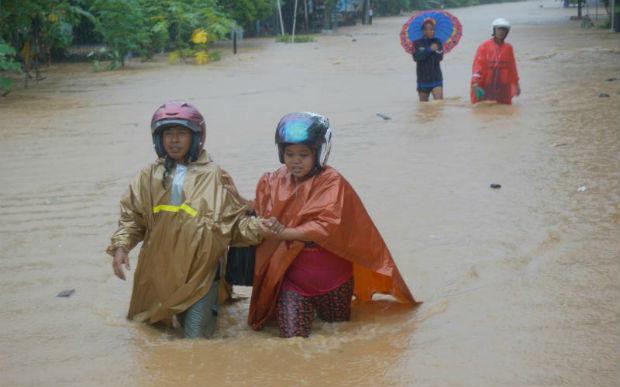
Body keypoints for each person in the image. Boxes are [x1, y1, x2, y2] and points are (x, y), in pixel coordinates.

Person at [225, 112, 417, 338]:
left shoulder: (332, 182)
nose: (296, 160)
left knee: (339, 336)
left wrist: (285, 232)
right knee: (292, 341)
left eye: (303, 155)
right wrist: (239, 199)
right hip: (293, 281)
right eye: (289, 154)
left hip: (335, 281)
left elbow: (326, 226)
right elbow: (264, 209)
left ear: (318, 154)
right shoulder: (274, 180)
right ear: (281, 153)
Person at [107, 101, 275, 339]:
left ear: (196, 137)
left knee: (195, 341)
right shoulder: (147, 176)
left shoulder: (214, 174)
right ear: (158, 138)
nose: (174, 140)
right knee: (149, 335)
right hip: (158, 273)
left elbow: (233, 224)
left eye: (181, 133)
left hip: (201, 273)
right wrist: (121, 247)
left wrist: (261, 227)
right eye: (168, 134)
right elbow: (133, 219)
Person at [471, 18, 521, 105]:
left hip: (503, 83)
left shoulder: (508, 48)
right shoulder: (484, 46)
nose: (501, 32)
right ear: (494, 30)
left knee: (504, 108)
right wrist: (475, 82)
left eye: (504, 30)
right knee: (485, 106)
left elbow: (512, 67)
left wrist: (516, 83)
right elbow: (478, 65)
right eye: (499, 29)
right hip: (488, 82)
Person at [412, 19, 444, 102]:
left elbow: (440, 57)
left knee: (439, 103)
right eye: (430, 29)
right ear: (424, 31)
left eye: (433, 29)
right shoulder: (417, 43)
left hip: (436, 77)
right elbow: (417, 57)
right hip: (422, 79)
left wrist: (437, 51)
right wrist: (429, 50)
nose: (433, 32)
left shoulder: (437, 42)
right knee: (423, 107)